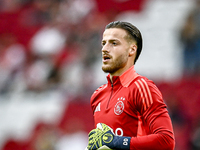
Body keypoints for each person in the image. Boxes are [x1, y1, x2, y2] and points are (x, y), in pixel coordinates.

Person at [86, 21, 175, 150]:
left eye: (114, 43)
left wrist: (116, 141)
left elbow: (166, 141)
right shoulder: (97, 95)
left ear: (132, 49)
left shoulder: (142, 87)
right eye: (104, 43)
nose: (105, 49)